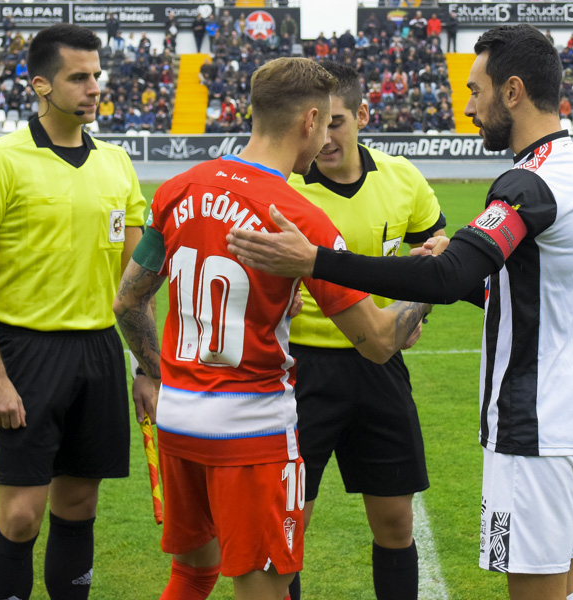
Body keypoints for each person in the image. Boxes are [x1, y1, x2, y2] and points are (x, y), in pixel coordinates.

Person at [227, 24, 573, 600]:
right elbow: (511, 288)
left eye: (475, 90)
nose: (468, 107)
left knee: (535, 589)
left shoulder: (529, 183)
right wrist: (449, 268)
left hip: (536, 423)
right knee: (568, 585)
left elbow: (448, 273)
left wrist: (317, 261)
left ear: (512, 92)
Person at [112, 57, 430, 600]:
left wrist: (154, 374)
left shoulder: (178, 189)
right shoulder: (298, 219)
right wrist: (425, 284)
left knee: (191, 574)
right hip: (250, 433)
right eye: (325, 123)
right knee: (263, 586)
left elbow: (127, 303)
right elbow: (377, 341)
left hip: (180, 420)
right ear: (309, 121)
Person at [0, 24, 149, 600]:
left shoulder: (116, 163)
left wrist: (149, 367)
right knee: (20, 517)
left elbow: (135, 282)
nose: (94, 88)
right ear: (41, 85)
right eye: (79, 77)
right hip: (26, 352)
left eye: (97, 75)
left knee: (80, 506)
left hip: (98, 351)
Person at [279, 60, 446, 600]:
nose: (326, 137)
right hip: (300, 373)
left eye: (338, 122)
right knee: (287, 528)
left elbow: (436, 253)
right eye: (317, 124)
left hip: (380, 366)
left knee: (396, 523)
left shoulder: (403, 179)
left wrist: (415, 314)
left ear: (362, 115)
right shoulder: (284, 188)